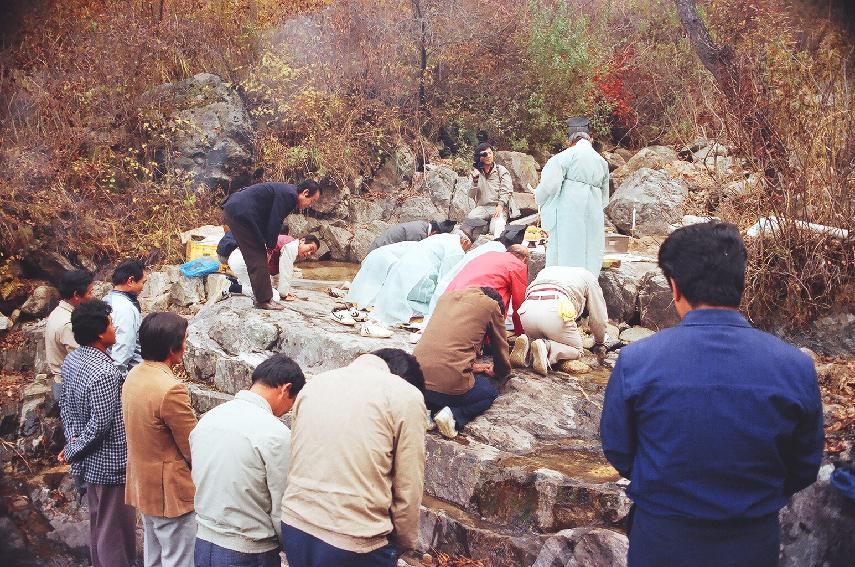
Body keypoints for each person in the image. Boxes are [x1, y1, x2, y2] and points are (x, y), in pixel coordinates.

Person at [600, 222, 824, 567]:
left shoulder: (636, 361)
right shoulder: (795, 366)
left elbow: (619, 449)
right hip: (752, 542)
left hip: (662, 540)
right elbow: (804, 466)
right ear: (739, 283)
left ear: (675, 288)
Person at [280, 349, 426, 567]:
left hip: (295, 526)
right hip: (354, 540)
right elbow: (409, 486)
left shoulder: (315, 385)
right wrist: (402, 544)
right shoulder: (406, 396)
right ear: (405, 380)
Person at [191, 354, 305, 567]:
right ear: (285, 389)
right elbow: (282, 505)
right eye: (292, 401)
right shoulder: (275, 434)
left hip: (203, 542)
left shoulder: (209, 419)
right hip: (249, 551)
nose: (288, 410)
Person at [58, 299, 136, 567]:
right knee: (115, 531)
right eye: (112, 324)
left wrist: (73, 440)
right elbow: (101, 424)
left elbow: (66, 405)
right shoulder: (105, 372)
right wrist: (72, 449)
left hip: (90, 460)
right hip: (110, 463)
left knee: (99, 523)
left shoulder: (72, 359)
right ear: (101, 334)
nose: (115, 329)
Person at [122, 312, 198, 567]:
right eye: (185, 340)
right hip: (170, 491)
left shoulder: (134, 375)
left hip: (143, 484)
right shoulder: (171, 388)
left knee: (153, 557)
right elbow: (192, 445)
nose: (186, 346)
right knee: (179, 560)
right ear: (172, 348)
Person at [413, 287, 510, 438]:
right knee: (487, 391)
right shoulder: (491, 306)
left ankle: (426, 412)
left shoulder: (445, 298)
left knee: (438, 386)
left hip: (416, 382)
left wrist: (472, 367)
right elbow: (501, 350)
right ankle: (453, 416)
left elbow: (447, 345)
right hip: (448, 389)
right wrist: (499, 371)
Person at [222, 180, 322, 310]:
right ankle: (263, 300)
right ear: (305, 192)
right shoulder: (289, 195)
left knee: (258, 256)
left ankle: (263, 298)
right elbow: (275, 221)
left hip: (239, 210)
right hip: (241, 212)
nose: (310, 205)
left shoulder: (287, 192)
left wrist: (267, 244)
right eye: (312, 201)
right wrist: (270, 247)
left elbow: (268, 219)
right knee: (258, 256)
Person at [535, 117, 610, 275]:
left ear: (570, 140)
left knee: (566, 256)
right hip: (593, 215)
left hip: (568, 215)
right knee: (590, 253)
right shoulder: (601, 162)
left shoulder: (565, 157)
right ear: (590, 138)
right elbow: (605, 197)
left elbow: (549, 185)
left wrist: (538, 196)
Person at [511, 266, 608, 376]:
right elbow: (598, 316)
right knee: (577, 350)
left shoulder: (546, 270)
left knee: (538, 341)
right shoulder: (589, 277)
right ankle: (546, 348)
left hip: (527, 311)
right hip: (555, 310)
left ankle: (528, 347)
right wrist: (600, 341)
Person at [368, 231, 471, 327]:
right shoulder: (456, 250)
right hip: (419, 278)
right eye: (468, 248)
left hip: (402, 272)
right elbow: (446, 279)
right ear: (464, 242)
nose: (466, 251)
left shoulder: (443, 237)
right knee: (436, 297)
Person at [442, 244, 529, 335]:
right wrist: (521, 334)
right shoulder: (518, 265)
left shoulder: (488, 255)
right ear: (524, 259)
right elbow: (520, 305)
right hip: (476, 310)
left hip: (448, 301)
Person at [228, 234, 320, 302]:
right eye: (310, 248)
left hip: (239, 258)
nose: (308, 253)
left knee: (260, 286)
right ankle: (232, 287)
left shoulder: (288, 241)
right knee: (274, 297)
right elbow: (286, 270)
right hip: (244, 261)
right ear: (302, 240)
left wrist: (281, 289)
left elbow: (276, 273)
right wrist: (283, 294)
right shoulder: (291, 246)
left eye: (312, 253)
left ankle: (234, 282)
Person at [345, 240, 420, 311]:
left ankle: (359, 302)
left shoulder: (417, 245)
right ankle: (366, 304)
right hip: (386, 259)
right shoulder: (421, 250)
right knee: (375, 288)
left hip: (377, 254)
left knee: (369, 285)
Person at [45, 269, 94, 376]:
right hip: (69, 381)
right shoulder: (68, 324)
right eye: (90, 292)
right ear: (76, 295)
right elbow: (82, 360)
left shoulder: (58, 312)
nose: (92, 296)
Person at [104, 259, 147, 378]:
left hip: (107, 365)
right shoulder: (125, 309)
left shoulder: (107, 299)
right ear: (130, 281)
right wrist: (120, 379)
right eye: (143, 282)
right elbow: (123, 347)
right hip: (130, 373)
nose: (143, 287)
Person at [468, 142, 513, 236]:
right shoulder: (476, 173)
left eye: (490, 153)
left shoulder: (501, 170)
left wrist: (500, 205)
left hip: (498, 207)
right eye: (485, 154)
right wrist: (475, 180)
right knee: (471, 218)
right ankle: (485, 226)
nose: (488, 156)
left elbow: (507, 190)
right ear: (480, 157)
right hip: (482, 208)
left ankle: (491, 226)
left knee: (496, 230)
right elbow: (471, 195)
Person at [368, 219, 456, 253]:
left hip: (380, 248)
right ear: (434, 233)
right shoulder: (418, 234)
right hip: (377, 251)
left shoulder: (422, 225)